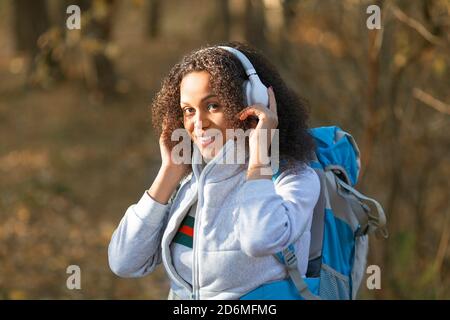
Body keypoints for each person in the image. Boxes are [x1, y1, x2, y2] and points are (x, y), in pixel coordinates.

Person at [108, 41, 321, 300]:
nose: (199, 123)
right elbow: (123, 261)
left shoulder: (293, 177)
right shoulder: (189, 184)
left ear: (252, 102)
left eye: (212, 106)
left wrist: (259, 158)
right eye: (188, 110)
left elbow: (259, 238)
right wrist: (170, 171)